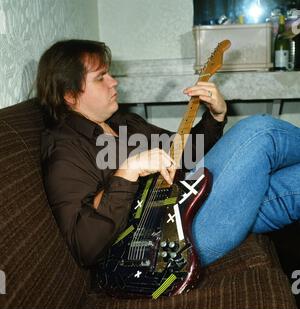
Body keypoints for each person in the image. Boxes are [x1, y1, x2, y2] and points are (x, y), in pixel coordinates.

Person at [39, 39, 300, 272]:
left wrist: (215, 116)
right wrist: (128, 171)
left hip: (195, 205)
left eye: (110, 74)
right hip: (163, 248)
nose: (114, 81)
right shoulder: (65, 148)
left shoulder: (124, 122)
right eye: (101, 77)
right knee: (259, 131)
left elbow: (182, 155)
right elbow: (84, 246)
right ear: (70, 95)